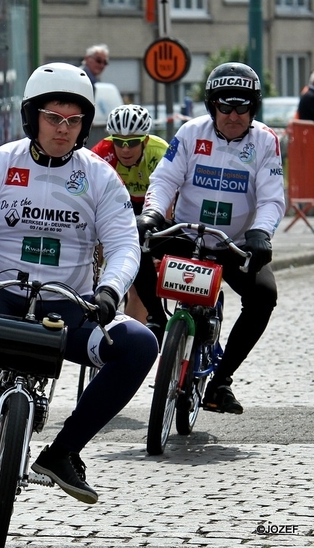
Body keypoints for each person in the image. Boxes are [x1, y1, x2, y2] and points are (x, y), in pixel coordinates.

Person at [0, 63, 158, 504]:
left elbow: (124, 245)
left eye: (74, 120)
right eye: (53, 118)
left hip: (70, 306)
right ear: (32, 117)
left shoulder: (100, 175)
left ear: (84, 124)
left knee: (140, 343)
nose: (64, 129)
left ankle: (63, 454)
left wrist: (110, 291)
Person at [133, 62, 285, 414]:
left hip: (235, 244)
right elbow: (164, 180)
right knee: (135, 245)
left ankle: (221, 381)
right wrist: (154, 213)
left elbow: (271, 197)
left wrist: (261, 233)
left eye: (242, 107)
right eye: (225, 106)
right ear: (211, 105)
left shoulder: (265, 141)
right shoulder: (190, 133)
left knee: (264, 296)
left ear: (254, 108)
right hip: (189, 237)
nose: (233, 115)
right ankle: (157, 318)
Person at [91, 104, 168, 323]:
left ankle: (137, 332)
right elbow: (93, 201)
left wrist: (156, 247)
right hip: (119, 205)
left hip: (151, 206)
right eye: (119, 142)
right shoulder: (101, 154)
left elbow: (169, 199)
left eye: (132, 143)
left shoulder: (159, 151)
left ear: (144, 141)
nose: (125, 149)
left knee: (137, 283)